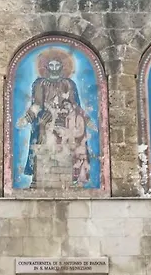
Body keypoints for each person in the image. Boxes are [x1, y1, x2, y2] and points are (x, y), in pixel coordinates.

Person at [16, 48, 94, 187]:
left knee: (67, 147)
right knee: (43, 146)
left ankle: (69, 180)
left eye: (57, 65)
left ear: (62, 67)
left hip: (65, 123)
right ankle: (38, 180)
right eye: (51, 65)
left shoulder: (68, 84)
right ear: (46, 67)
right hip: (45, 122)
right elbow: (37, 105)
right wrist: (27, 118)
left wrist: (87, 120)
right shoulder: (40, 84)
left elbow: (75, 105)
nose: (54, 68)